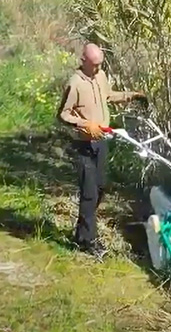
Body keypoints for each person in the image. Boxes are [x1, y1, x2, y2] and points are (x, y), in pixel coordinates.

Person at [56, 42, 145, 257]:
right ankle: (88, 241)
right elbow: (63, 115)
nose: (97, 69)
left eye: (100, 65)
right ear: (83, 61)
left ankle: (82, 232)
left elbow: (108, 95)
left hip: (101, 141)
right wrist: (85, 125)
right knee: (89, 193)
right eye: (94, 65)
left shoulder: (101, 76)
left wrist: (130, 95)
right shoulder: (75, 84)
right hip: (83, 144)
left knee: (100, 187)